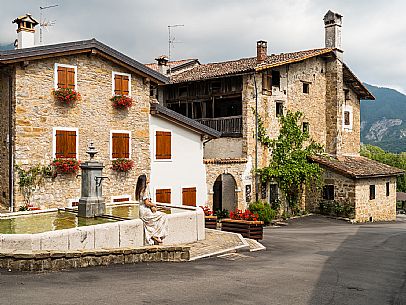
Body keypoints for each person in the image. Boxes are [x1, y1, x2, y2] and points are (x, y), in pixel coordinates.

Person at [135, 174, 168, 245]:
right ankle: (155, 235)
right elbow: (146, 203)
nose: (148, 178)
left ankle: (154, 235)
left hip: (143, 211)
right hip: (146, 211)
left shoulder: (141, 189)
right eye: (147, 178)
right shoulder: (144, 190)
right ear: (144, 181)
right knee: (163, 216)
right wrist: (154, 205)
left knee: (156, 219)